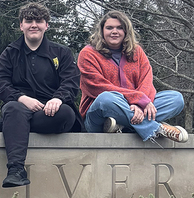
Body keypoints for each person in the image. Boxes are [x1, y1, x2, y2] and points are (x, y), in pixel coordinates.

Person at [0, 2, 82, 187]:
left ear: (46, 25)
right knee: (12, 109)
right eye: (28, 20)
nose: (34, 24)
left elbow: (71, 83)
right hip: (19, 107)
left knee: (67, 114)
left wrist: (57, 99)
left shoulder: (62, 52)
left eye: (39, 20)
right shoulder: (10, 53)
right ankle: (16, 171)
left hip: (51, 112)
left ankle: (7, 126)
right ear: (21, 25)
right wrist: (22, 98)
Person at [78, 10, 188, 143]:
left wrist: (139, 104)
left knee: (175, 99)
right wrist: (136, 100)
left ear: (126, 31)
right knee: (106, 98)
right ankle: (156, 129)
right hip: (100, 113)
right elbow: (97, 86)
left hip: (135, 108)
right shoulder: (88, 53)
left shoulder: (137, 52)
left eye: (120, 28)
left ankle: (123, 125)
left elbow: (146, 81)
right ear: (101, 31)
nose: (114, 31)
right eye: (109, 28)